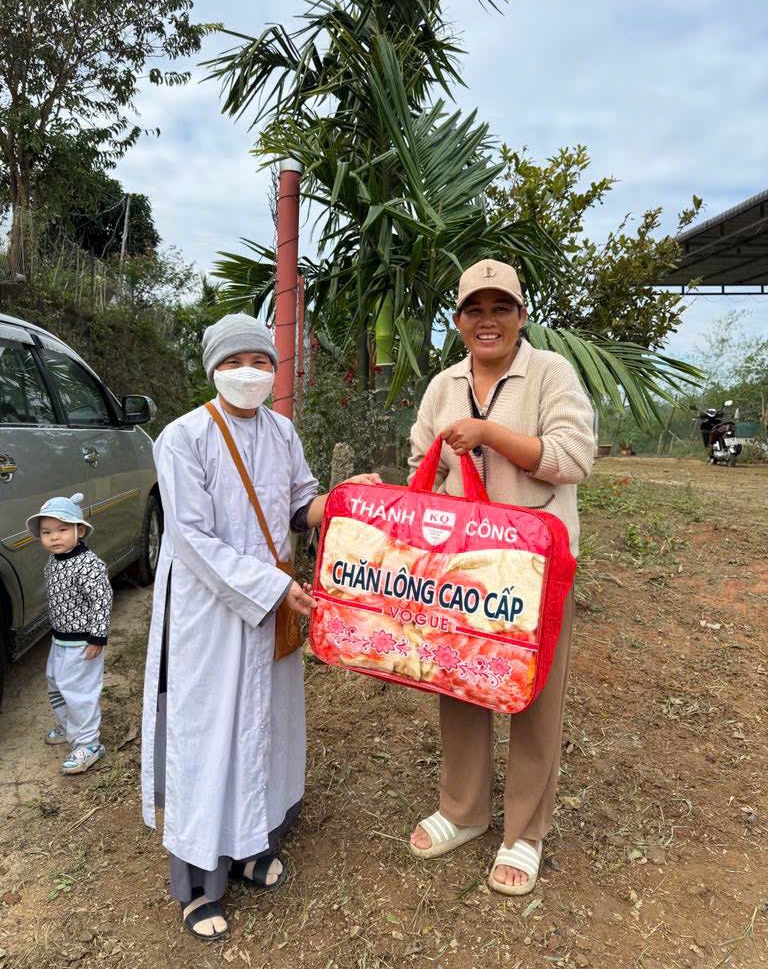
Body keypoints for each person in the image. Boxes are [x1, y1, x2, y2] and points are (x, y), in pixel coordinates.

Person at [141, 313, 380, 942]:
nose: (247, 372)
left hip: (277, 606)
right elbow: (191, 539)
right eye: (233, 361)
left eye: (260, 361)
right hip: (212, 615)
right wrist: (273, 588)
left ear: (274, 369)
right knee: (211, 734)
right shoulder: (183, 437)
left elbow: (300, 506)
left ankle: (252, 846)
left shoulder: (282, 431)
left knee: (268, 725)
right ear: (212, 369)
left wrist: (345, 499)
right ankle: (197, 885)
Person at [407, 259, 594, 897]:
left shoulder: (550, 373)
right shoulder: (443, 385)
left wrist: (490, 434)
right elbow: (424, 464)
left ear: (521, 316)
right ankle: (464, 809)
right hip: (461, 570)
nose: (488, 321)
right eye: (475, 310)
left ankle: (524, 831)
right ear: (459, 321)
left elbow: (574, 456)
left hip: (536, 569)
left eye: (501, 308)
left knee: (534, 694)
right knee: (460, 680)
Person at [26, 493, 112, 775]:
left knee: (80, 692)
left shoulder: (89, 565)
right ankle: (68, 725)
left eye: (62, 529)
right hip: (61, 638)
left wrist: (97, 636)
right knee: (56, 683)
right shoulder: (54, 562)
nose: (54, 537)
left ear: (80, 531)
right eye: (46, 532)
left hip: (84, 642)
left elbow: (102, 600)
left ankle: (89, 744)